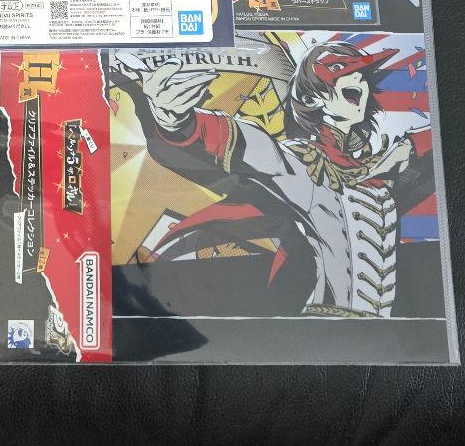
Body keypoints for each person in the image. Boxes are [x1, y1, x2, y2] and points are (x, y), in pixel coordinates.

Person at [118, 41, 430, 318]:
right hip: (324, 329)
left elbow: (434, 144)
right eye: (340, 73)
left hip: (380, 336)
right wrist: (176, 120)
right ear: (311, 98)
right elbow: (249, 144)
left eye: (361, 77)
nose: (358, 82)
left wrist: (410, 146)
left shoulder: (380, 171)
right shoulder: (305, 165)